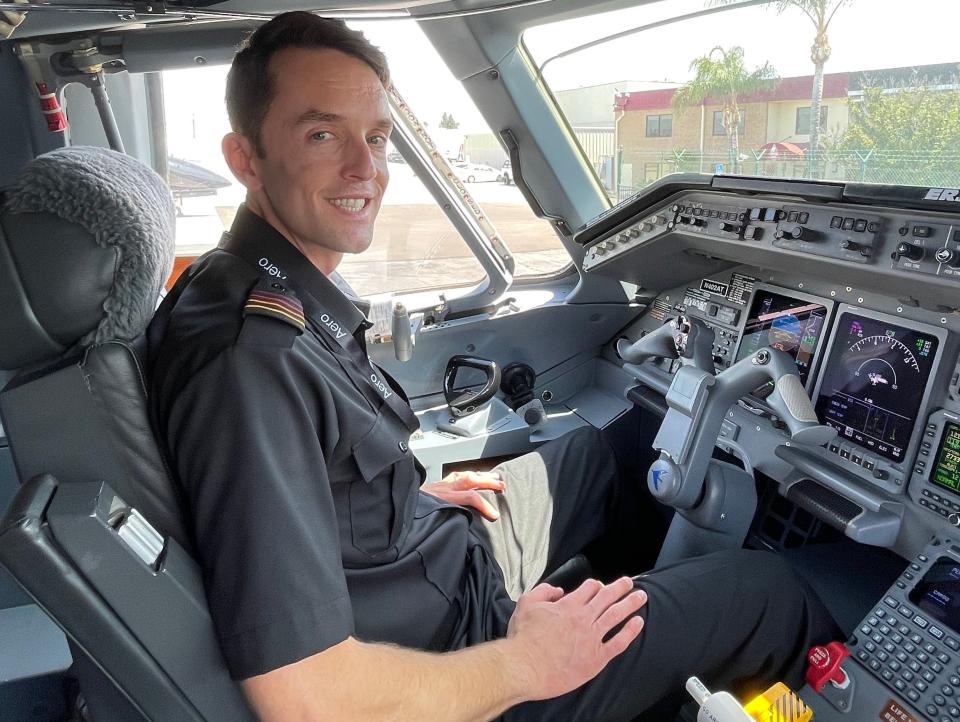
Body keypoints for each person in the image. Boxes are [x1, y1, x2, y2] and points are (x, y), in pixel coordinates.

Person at [147, 12, 838, 721]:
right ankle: (621, 662)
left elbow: (311, 492)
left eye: (377, 138)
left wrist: (408, 506)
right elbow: (307, 697)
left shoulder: (246, 286)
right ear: (245, 158)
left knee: (613, 456)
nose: (365, 168)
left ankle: (644, 678)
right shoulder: (251, 361)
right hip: (452, 656)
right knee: (769, 594)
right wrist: (530, 662)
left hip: (427, 558)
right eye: (322, 134)